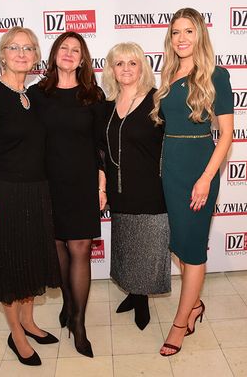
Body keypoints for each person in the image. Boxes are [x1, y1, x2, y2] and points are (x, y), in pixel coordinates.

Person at [0, 26, 61, 366]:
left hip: (37, 192)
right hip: (5, 195)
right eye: (14, 47)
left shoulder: (33, 96)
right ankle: (16, 335)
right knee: (11, 266)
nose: (21, 54)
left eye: (28, 48)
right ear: (2, 55)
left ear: (36, 56)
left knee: (31, 262)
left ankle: (29, 321)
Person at [151, 8, 234, 356]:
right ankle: (195, 304)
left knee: (193, 249)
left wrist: (206, 179)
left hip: (199, 169)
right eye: (176, 32)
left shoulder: (216, 74)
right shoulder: (168, 73)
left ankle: (180, 323)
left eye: (188, 31)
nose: (181, 38)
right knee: (178, 245)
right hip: (170, 169)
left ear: (200, 34)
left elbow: (227, 135)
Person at [27, 31, 106, 358]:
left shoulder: (93, 94)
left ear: (83, 59)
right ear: (54, 54)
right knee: (58, 248)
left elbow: (101, 145)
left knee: (80, 248)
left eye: (76, 50)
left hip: (83, 183)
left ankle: (78, 322)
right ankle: (69, 302)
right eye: (64, 48)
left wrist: (102, 185)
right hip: (48, 183)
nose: (69, 53)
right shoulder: (36, 94)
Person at [101, 42, 171, 330]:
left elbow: (174, 146)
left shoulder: (158, 101)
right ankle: (133, 293)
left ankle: (142, 301)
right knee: (127, 247)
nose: (126, 68)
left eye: (132, 62)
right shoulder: (107, 105)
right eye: (119, 63)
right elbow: (101, 149)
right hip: (120, 193)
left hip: (151, 190)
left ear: (142, 68)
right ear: (112, 70)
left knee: (148, 248)